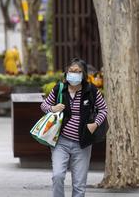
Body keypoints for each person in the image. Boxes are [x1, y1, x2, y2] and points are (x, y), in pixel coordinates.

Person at [40, 58, 108, 197]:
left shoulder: (91, 91)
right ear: (66, 72)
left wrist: (95, 124)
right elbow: (44, 106)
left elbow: (103, 110)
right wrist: (53, 108)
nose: (74, 74)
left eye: (78, 72)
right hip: (60, 142)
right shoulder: (60, 88)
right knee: (58, 176)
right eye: (71, 71)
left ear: (83, 74)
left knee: (79, 185)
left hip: (82, 144)